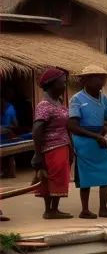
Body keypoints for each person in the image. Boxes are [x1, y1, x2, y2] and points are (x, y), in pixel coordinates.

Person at [68, 65, 107, 219]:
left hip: (100, 139)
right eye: (97, 77)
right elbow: (73, 126)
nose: (101, 81)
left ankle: (104, 208)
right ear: (86, 79)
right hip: (84, 141)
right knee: (85, 177)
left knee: (106, 173)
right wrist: (96, 136)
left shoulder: (104, 98)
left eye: (103, 78)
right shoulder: (77, 99)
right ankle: (85, 210)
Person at [31, 69, 73, 219]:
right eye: (62, 83)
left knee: (59, 177)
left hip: (63, 145)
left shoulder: (58, 102)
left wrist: (71, 148)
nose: (64, 86)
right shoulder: (44, 105)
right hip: (52, 147)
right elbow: (37, 129)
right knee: (53, 178)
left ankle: (54, 209)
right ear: (52, 84)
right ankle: (50, 210)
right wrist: (37, 154)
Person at [1, 89, 19, 178]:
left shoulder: (10, 109)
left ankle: (12, 172)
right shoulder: (2, 108)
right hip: (2, 134)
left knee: (10, 154)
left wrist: (6, 128)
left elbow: (15, 124)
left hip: (7, 133)